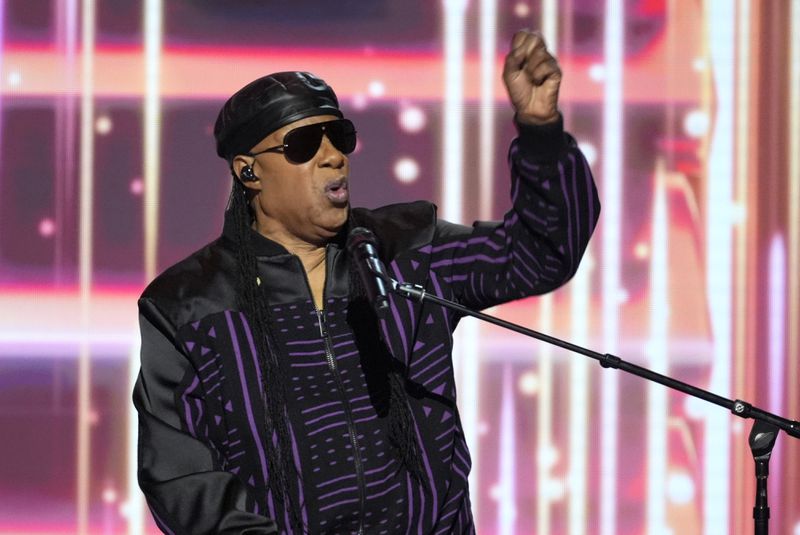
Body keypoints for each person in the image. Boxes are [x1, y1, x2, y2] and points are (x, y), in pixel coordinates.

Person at [133, 30, 600, 534]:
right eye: (305, 143)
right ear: (250, 172)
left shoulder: (406, 251)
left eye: (341, 136)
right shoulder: (188, 305)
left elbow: (539, 254)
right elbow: (182, 479)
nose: (334, 155)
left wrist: (541, 132)